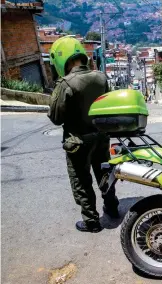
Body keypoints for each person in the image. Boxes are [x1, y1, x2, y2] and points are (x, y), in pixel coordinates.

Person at [47, 36, 119, 233]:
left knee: (81, 181)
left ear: (62, 60)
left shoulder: (65, 83)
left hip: (78, 142)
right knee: (105, 174)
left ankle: (91, 222)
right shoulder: (101, 77)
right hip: (101, 137)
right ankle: (112, 208)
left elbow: (55, 117)